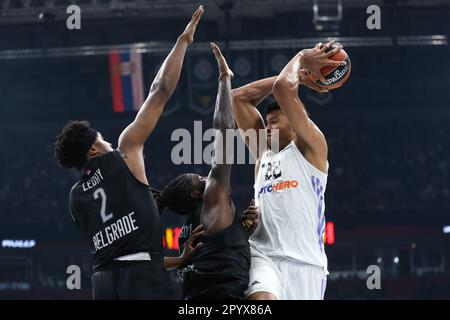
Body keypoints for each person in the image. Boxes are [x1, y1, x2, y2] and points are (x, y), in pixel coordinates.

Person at [52, 6, 205, 299]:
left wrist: (181, 261)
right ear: (94, 149)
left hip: (103, 283)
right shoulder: (125, 152)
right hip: (143, 280)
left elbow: (121, 257)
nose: (110, 142)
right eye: (104, 139)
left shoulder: (75, 198)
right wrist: (183, 41)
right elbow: (159, 90)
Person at [231, 40, 345, 300]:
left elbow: (283, 89)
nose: (268, 127)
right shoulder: (263, 153)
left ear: (296, 124)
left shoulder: (312, 146)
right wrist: (302, 77)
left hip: (306, 263)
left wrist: (302, 60)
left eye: (274, 121)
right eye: (266, 122)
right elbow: (237, 97)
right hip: (263, 254)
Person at [155, 43, 255, 300]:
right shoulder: (212, 201)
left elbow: (217, 249)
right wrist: (224, 79)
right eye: (201, 179)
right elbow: (222, 130)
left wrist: (242, 228)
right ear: (198, 195)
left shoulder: (185, 235)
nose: (207, 177)